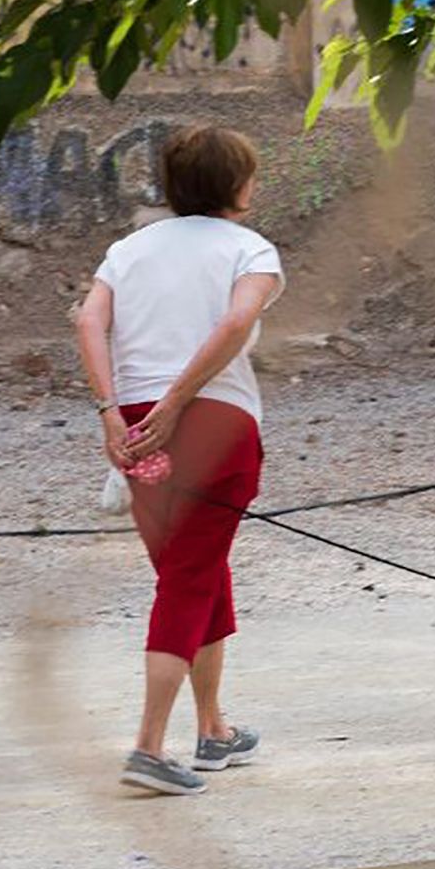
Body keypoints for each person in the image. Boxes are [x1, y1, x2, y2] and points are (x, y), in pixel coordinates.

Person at [73, 124, 284, 795]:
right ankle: (148, 748)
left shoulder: (128, 250)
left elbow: (87, 322)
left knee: (194, 567)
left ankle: (213, 729)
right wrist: (181, 397)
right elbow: (233, 325)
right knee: (189, 576)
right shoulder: (251, 249)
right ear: (240, 185)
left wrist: (113, 410)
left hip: (136, 428)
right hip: (217, 422)